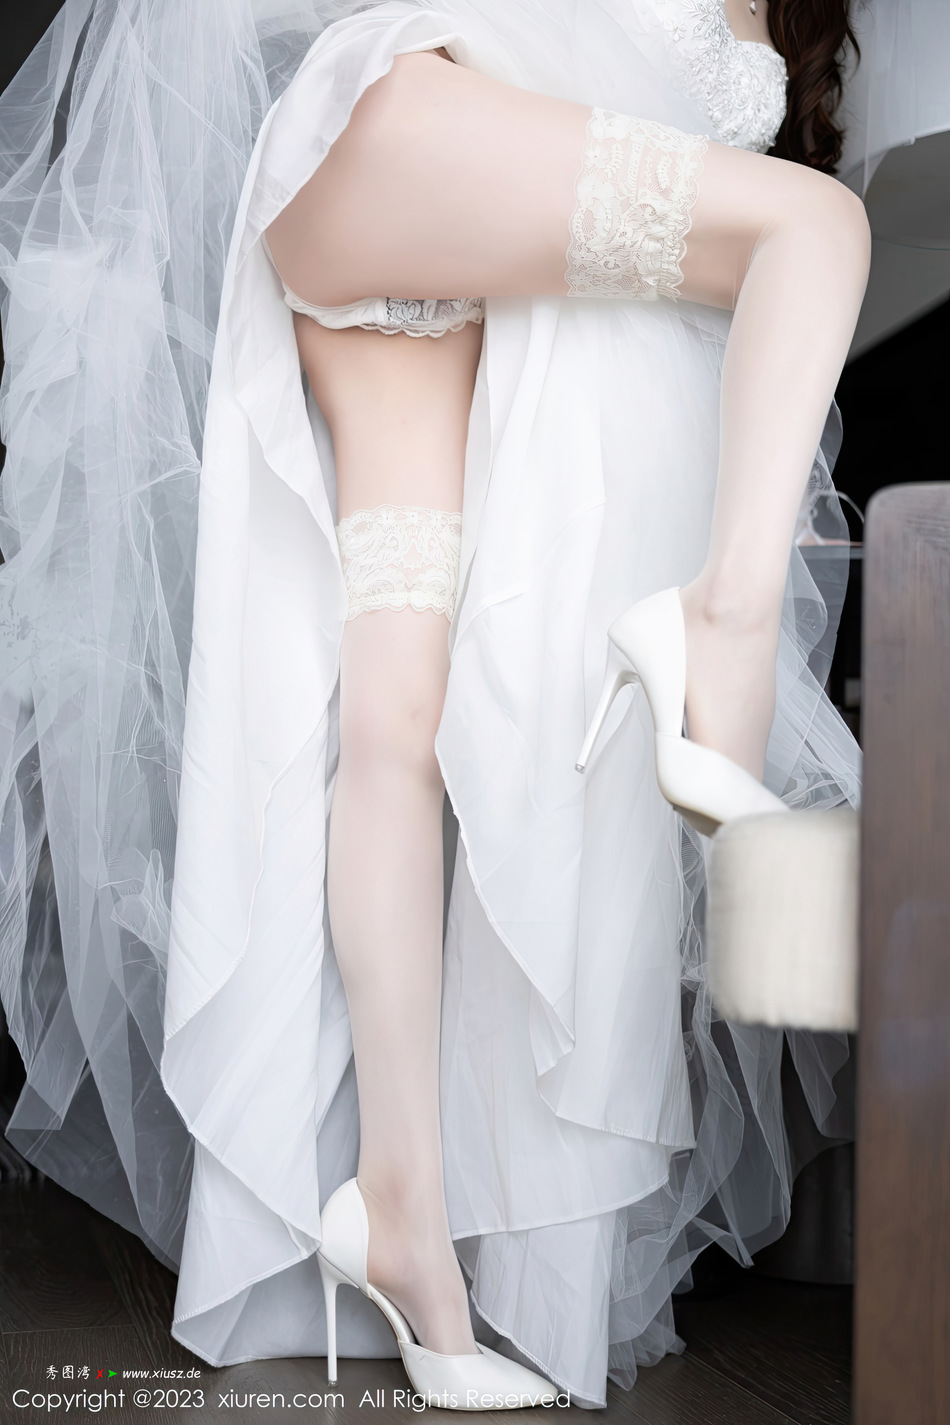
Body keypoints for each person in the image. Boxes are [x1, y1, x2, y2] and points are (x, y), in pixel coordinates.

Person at [0, 0, 944, 1409]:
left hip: (415, 259)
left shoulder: (816, 26)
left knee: (396, 722)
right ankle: (718, 631)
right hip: (398, 141)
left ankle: (404, 1221)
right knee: (813, 228)